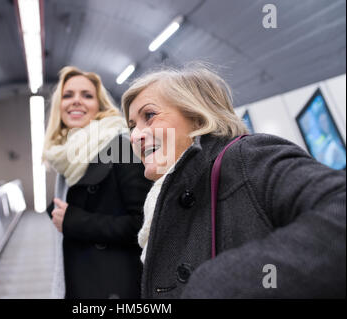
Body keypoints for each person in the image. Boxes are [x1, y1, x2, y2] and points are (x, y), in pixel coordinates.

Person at [122, 63, 346, 298]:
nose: (135, 136)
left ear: (198, 118)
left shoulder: (246, 156)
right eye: (131, 126)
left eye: (149, 115)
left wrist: (219, 284)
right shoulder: (157, 204)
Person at [43, 66, 151, 299]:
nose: (76, 101)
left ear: (100, 105)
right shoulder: (65, 154)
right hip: (80, 279)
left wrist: (75, 220)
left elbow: (143, 224)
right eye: (68, 95)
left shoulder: (121, 146)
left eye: (87, 95)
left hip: (115, 284)